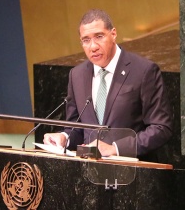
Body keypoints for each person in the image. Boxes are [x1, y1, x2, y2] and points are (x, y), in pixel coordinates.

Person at [43, 9, 173, 161]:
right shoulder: (77, 75)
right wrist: (65, 137)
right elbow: (77, 127)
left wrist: (115, 149)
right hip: (89, 174)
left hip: (133, 174)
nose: (93, 46)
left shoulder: (143, 71)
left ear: (113, 34)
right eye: (86, 40)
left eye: (99, 36)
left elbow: (161, 128)